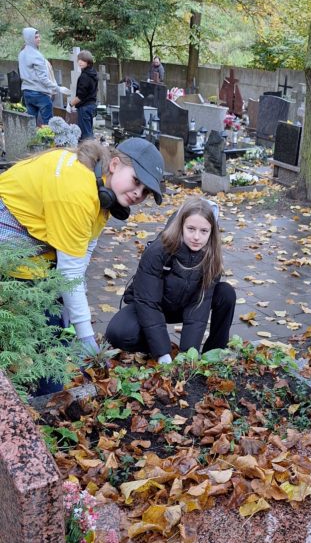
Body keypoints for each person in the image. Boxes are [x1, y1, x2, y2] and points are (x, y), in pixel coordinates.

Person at [0, 137, 164, 377]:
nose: (138, 193)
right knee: (40, 343)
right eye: (136, 181)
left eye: (146, 191)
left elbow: (84, 250)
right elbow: (69, 271)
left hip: (34, 252)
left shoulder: (102, 189)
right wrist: (86, 335)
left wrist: (71, 303)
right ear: (115, 164)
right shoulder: (77, 189)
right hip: (10, 246)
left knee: (56, 325)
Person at [105, 198, 236, 363]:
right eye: (191, 229)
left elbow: (199, 308)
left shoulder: (212, 257)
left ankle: (213, 355)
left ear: (212, 232)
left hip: (185, 305)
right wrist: (162, 353)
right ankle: (156, 347)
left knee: (226, 293)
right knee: (119, 332)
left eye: (204, 231)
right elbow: (147, 302)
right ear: (180, 225)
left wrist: (189, 355)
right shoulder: (158, 251)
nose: (197, 237)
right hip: (153, 304)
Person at [18, 27, 67, 125]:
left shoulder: (21, 54)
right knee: (49, 124)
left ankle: (31, 140)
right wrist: (58, 88)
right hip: (40, 93)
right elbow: (43, 79)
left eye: (39, 36)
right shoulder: (36, 55)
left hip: (27, 92)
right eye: (36, 37)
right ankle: (48, 140)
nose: (39, 39)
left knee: (31, 124)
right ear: (29, 38)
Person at [70, 51, 98, 141]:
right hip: (91, 105)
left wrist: (70, 104)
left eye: (83, 60)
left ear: (88, 61)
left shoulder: (85, 76)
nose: (80, 62)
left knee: (85, 135)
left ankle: (88, 153)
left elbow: (81, 96)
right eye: (79, 60)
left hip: (85, 107)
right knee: (89, 131)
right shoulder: (92, 73)